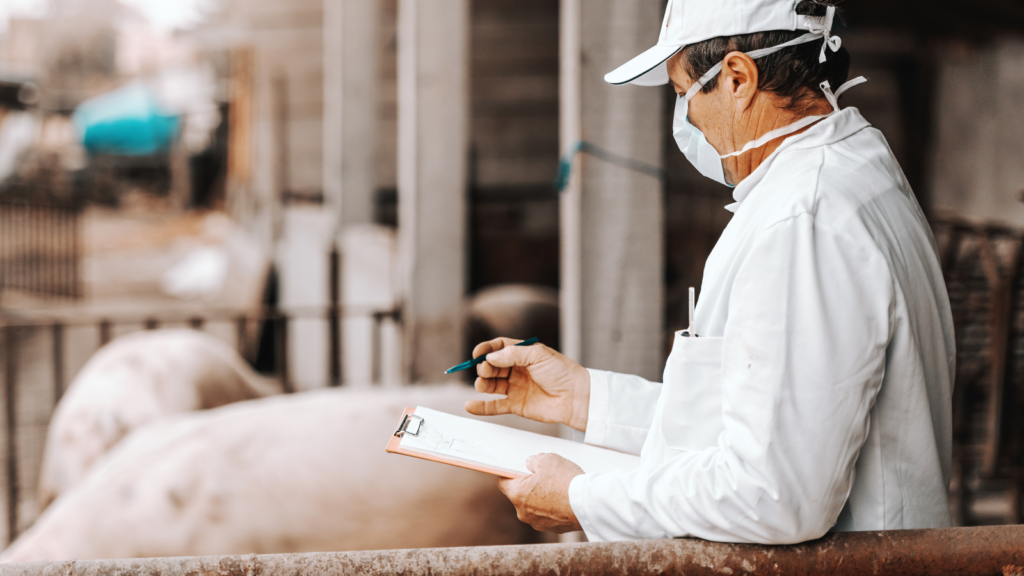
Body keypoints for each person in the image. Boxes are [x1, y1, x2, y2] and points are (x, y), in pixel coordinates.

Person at [466, 0, 955, 544]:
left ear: (738, 78)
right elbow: (767, 417)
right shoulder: (856, 169)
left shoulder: (802, 221)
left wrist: (583, 499)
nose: (687, 121)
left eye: (683, 95)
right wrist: (584, 398)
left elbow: (773, 493)